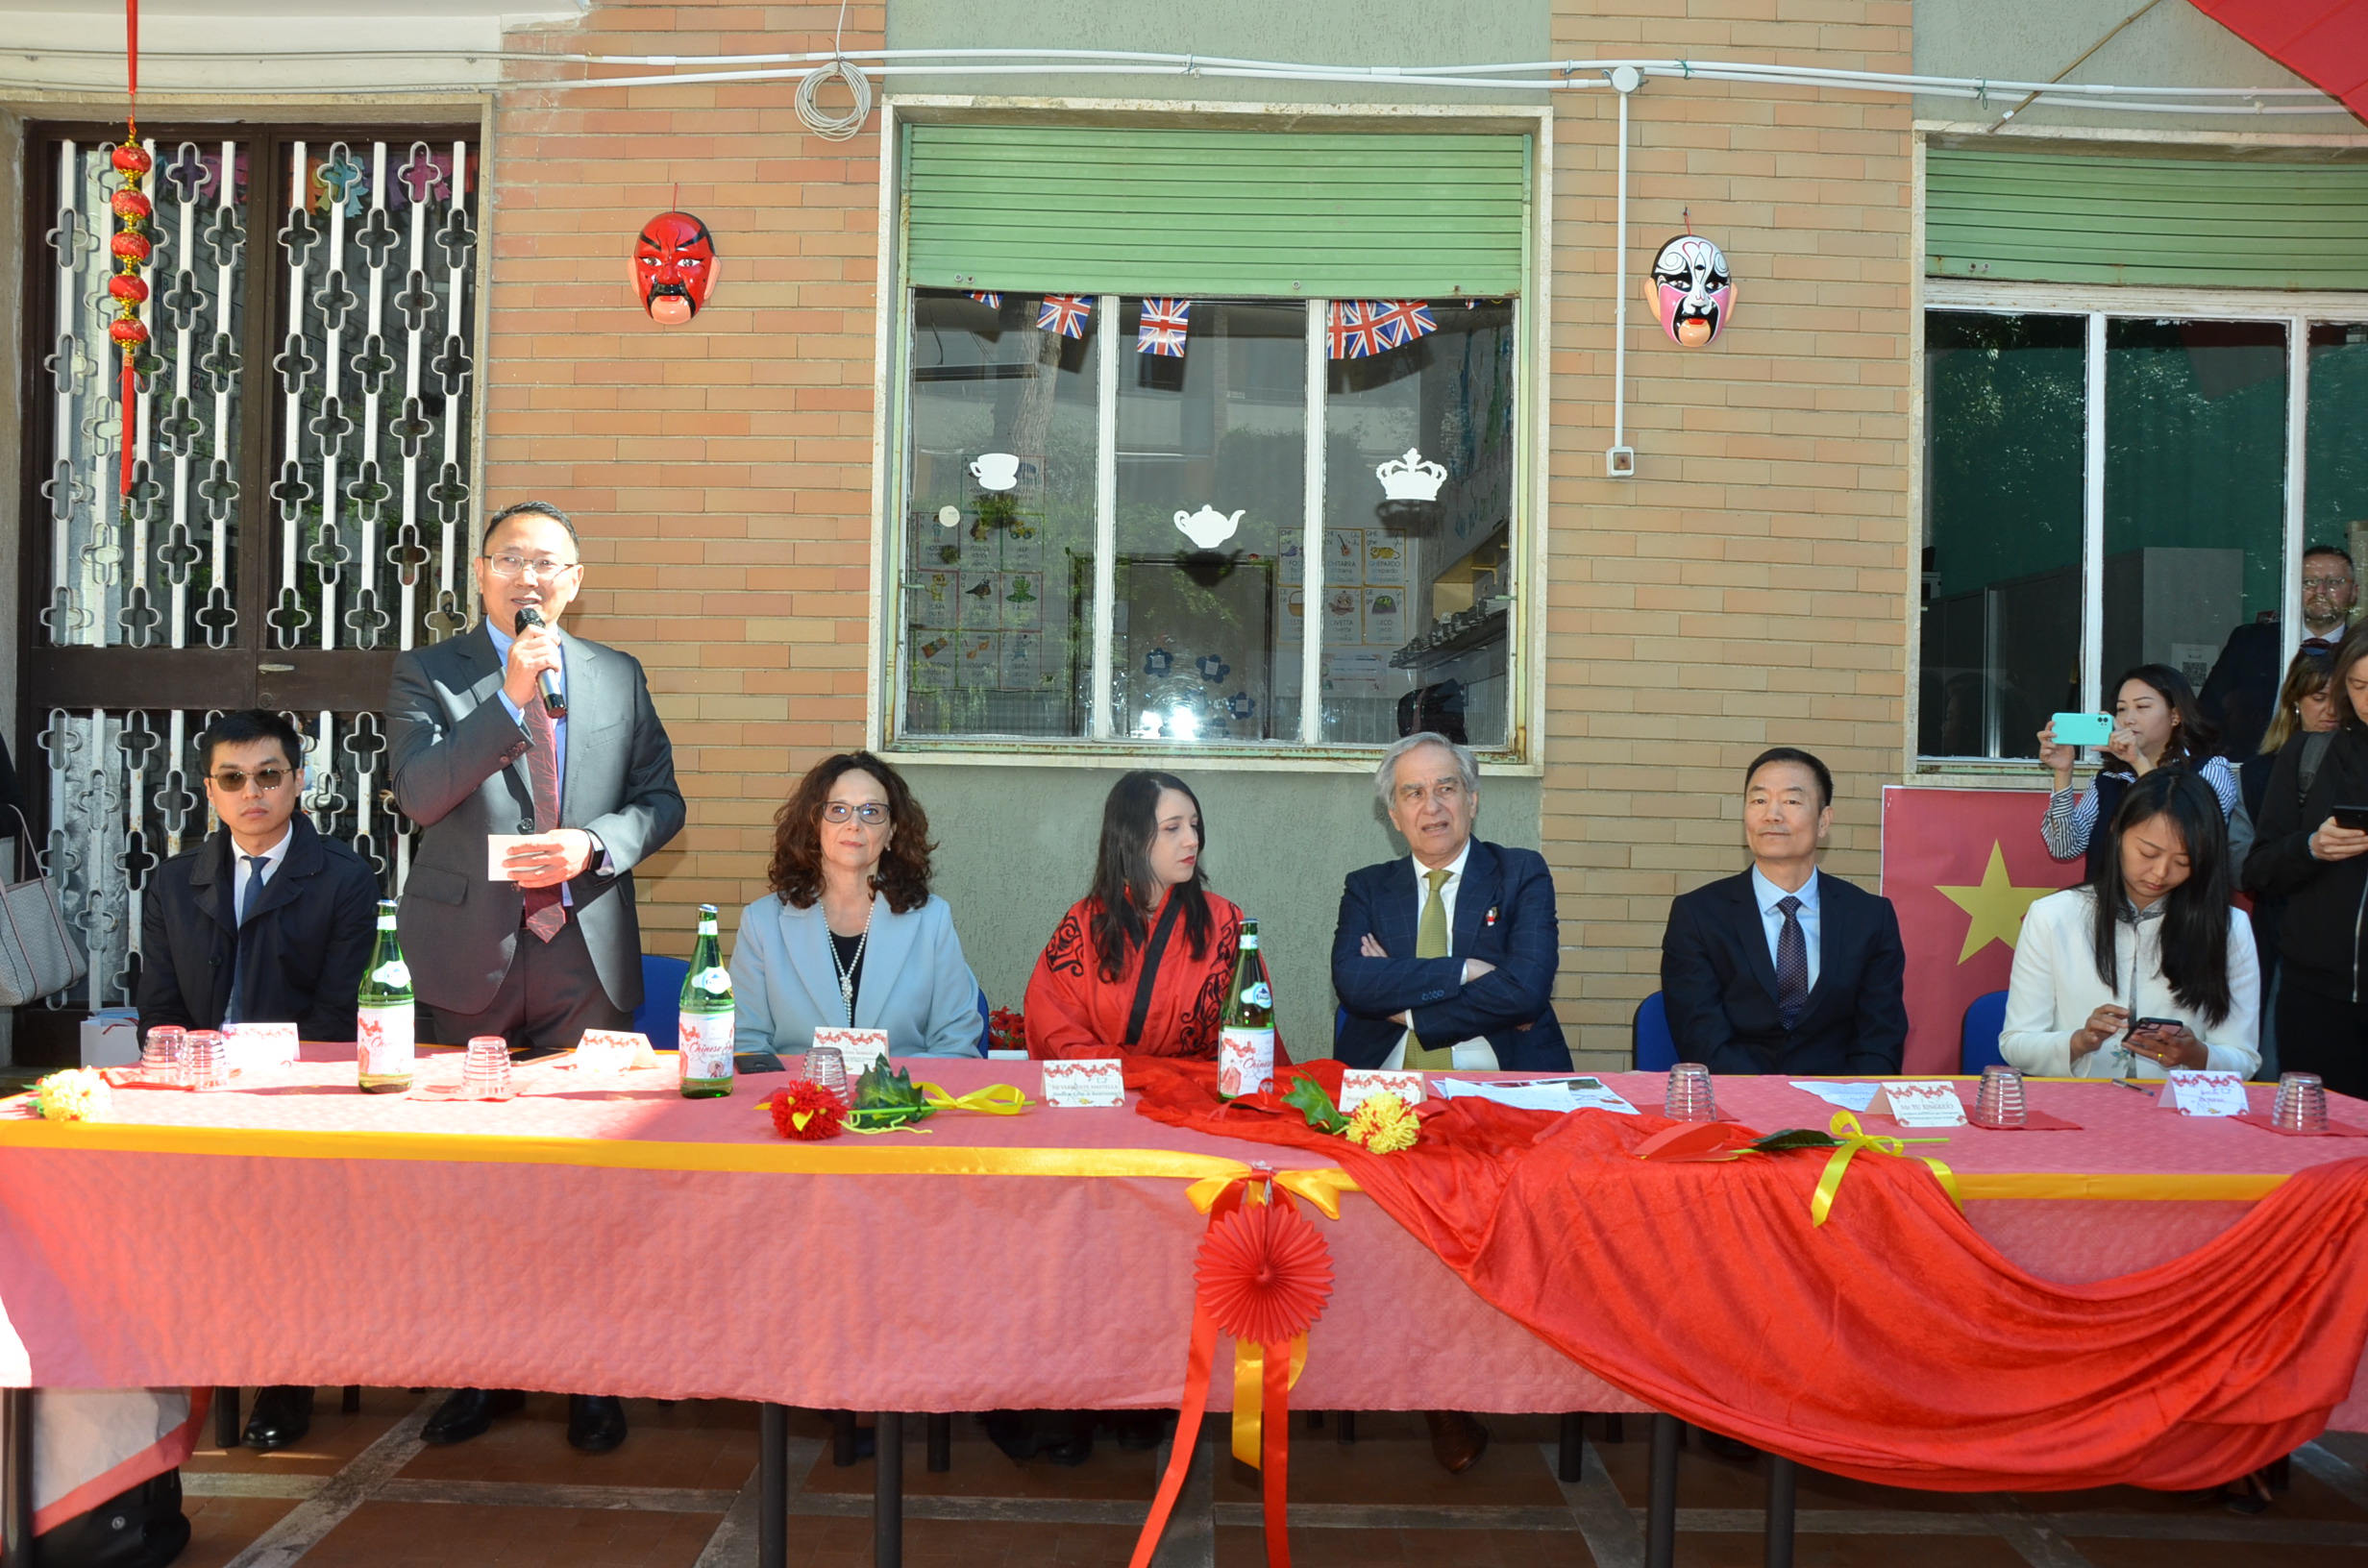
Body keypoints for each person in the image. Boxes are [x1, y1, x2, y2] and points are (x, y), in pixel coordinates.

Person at [387, 500, 684, 1456]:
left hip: (580, 957)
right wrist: (510, 699)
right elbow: (422, 793)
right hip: (465, 954)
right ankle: (482, 1374)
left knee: (590, 1180)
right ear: (481, 574)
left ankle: (591, 1377)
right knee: (471, 1182)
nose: (529, 576)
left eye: (548, 562)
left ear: (575, 581)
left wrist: (593, 844)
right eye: (511, 559)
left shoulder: (616, 675)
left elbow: (662, 802)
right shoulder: (429, 672)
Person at [136, 708, 379, 1454]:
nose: (253, 793)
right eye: (234, 779)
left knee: (285, 1212)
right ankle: (187, 1360)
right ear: (210, 790)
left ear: (297, 781)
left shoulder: (345, 877)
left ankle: (285, 1374)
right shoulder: (173, 882)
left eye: (269, 775)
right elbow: (161, 1012)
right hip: (202, 1095)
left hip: (301, 1096)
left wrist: (267, 1086)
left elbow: (336, 1018)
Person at [1659, 747, 1907, 1077]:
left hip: (1840, 1100)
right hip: (1738, 1097)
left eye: (1791, 801)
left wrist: (1847, 1099)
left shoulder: (1870, 917)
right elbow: (1702, 1038)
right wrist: (1769, 1099)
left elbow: (1880, 1038)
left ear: (1823, 821)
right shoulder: (1698, 916)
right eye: (1759, 800)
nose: (1772, 814)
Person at [1332, 732, 1567, 1072]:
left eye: (1445, 789)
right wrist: (1467, 970)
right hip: (1386, 1076)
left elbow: (1526, 992)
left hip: (1504, 1074)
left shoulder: (1520, 873)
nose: (1432, 807)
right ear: (1395, 816)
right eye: (1414, 793)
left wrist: (1406, 1012)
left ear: (1471, 802)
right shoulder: (1367, 887)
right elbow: (1354, 983)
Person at [2001, 771, 2259, 1080]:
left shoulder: (2229, 928)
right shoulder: (2053, 916)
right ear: (2116, 830)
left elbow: (2244, 1058)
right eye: (2148, 853)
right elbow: (2016, 1044)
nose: (2160, 872)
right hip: (2082, 1102)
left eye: (2183, 861)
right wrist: (2078, 1042)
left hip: (2177, 1103)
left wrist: (2198, 1056)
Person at [730, 752, 982, 1057]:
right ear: (815, 825)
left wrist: (895, 1085)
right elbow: (746, 1043)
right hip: (797, 1087)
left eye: (871, 811)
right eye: (838, 810)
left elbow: (956, 1042)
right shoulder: (761, 923)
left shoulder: (932, 920)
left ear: (891, 832)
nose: (854, 824)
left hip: (903, 1086)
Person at [1024, 770, 1266, 1060]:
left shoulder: (1225, 921)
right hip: (1105, 1084)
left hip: (1202, 1086)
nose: (1192, 840)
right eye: (1172, 828)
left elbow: (1253, 1034)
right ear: (1131, 838)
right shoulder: (1083, 925)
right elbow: (1055, 1023)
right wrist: (1138, 1076)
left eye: (1194, 825)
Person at [2242, 626, 2368, 1099]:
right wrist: (2311, 847)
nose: (2367, 700)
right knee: (2316, 1133)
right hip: (2313, 997)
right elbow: (2258, 870)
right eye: (2357, 686)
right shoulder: (2309, 754)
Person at [2233, 649, 2338, 1074]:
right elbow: (2242, 865)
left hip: (2345, 945)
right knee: (2278, 1063)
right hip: (2280, 936)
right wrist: (2302, 853)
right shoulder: (2257, 773)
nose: (2331, 710)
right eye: (2318, 698)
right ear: (2295, 702)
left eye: (2340, 698)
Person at [2037, 664, 2237, 880]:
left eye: (2142, 706)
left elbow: (2193, 836)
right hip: (2110, 900)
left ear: (2175, 715)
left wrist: (2139, 762)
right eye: (2121, 709)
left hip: (2182, 900)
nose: (2128, 719)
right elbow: (2064, 848)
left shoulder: (2210, 769)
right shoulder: (2109, 779)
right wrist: (2063, 772)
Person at [2200, 544, 2356, 758]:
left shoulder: (2361, 651)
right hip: (2251, 767)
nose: (2320, 591)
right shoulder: (2249, 642)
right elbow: (2208, 713)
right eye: (2309, 582)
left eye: (2334, 582)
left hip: (2340, 768)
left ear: (2354, 593)